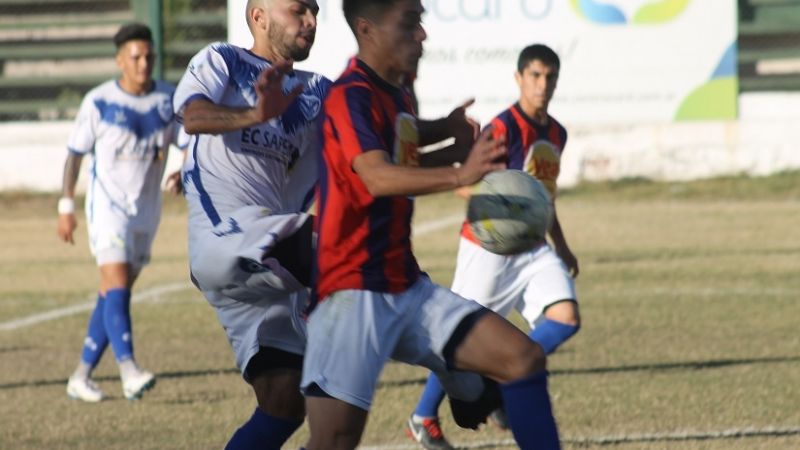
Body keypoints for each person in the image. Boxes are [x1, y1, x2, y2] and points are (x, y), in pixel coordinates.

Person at [300, 1, 562, 449]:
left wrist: (448, 134)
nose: (421, 35)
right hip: (352, 292)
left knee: (523, 358)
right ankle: (464, 384)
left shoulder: (397, 91)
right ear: (367, 29)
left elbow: (402, 147)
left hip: (407, 287)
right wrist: (461, 173)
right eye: (409, 24)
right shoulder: (350, 95)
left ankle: (466, 384)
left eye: (421, 22)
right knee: (333, 442)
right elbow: (378, 175)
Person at [407, 43, 581, 450]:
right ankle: (424, 415)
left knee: (566, 317)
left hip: (533, 246)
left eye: (550, 76)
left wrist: (563, 246)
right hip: (490, 248)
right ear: (519, 78)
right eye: (535, 75)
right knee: (457, 338)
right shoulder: (502, 128)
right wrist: (503, 201)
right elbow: (466, 183)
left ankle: (505, 374)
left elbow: (544, 198)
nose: (543, 84)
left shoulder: (557, 133)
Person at [173, 0, 329, 447]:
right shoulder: (223, 60)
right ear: (258, 15)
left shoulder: (317, 89)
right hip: (229, 241)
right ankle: (460, 368)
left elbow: (374, 131)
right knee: (351, 253)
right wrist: (255, 114)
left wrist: (441, 137)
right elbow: (193, 115)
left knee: (284, 400)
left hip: (271, 258)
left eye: (316, 11)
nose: (311, 21)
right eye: (298, 9)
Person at [58, 23, 184, 403]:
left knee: (115, 291)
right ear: (119, 61)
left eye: (149, 57)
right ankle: (129, 370)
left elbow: (190, 141)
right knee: (115, 284)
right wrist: (66, 206)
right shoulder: (98, 101)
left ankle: (81, 376)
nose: (144, 63)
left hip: (146, 211)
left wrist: (184, 168)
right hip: (107, 209)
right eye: (135, 57)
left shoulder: (168, 99)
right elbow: (74, 155)